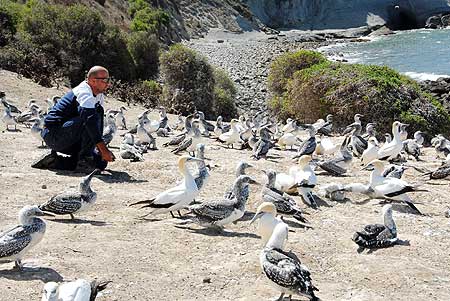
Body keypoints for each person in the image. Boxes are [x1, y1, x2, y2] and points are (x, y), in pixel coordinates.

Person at [32, 66, 115, 171]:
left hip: (71, 136)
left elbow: (96, 126)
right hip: (54, 135)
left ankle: (55, 161)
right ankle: (84, 160)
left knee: (100, 162)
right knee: (91, 117)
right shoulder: (84, 93)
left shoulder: (98, 94)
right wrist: (103, 149)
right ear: (93, 81)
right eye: (105, 80)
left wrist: (101, 151)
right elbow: (90, 121)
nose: (108, 84)